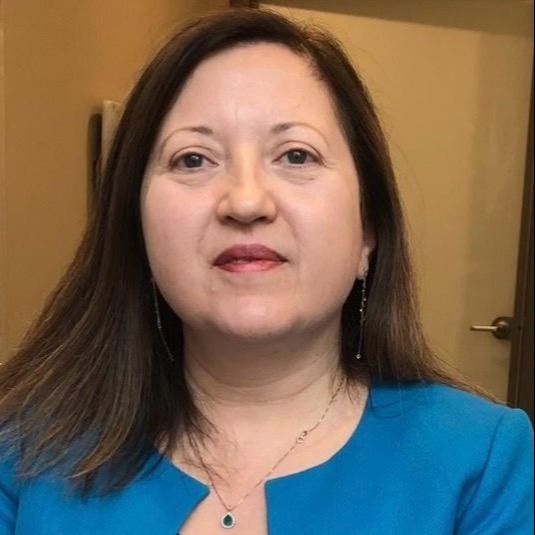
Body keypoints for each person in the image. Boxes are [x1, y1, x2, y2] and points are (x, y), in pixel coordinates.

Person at [0, 8, 533, 535]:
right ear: (135, 227)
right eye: (193, 159)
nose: (246, 201)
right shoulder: (23, 453)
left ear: (367, 233)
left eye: (296, 155)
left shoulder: (482, 462)